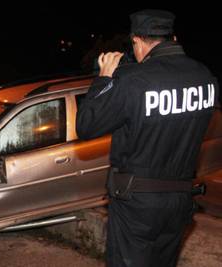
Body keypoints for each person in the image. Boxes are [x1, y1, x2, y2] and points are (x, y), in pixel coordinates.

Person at [76, 9, 219, 267]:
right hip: (180, 201)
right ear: (172, 37)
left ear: (137, 41)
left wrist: (105, 78)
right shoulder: (205, 78)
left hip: (137, 205)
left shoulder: (133, 81)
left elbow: (86, 126)